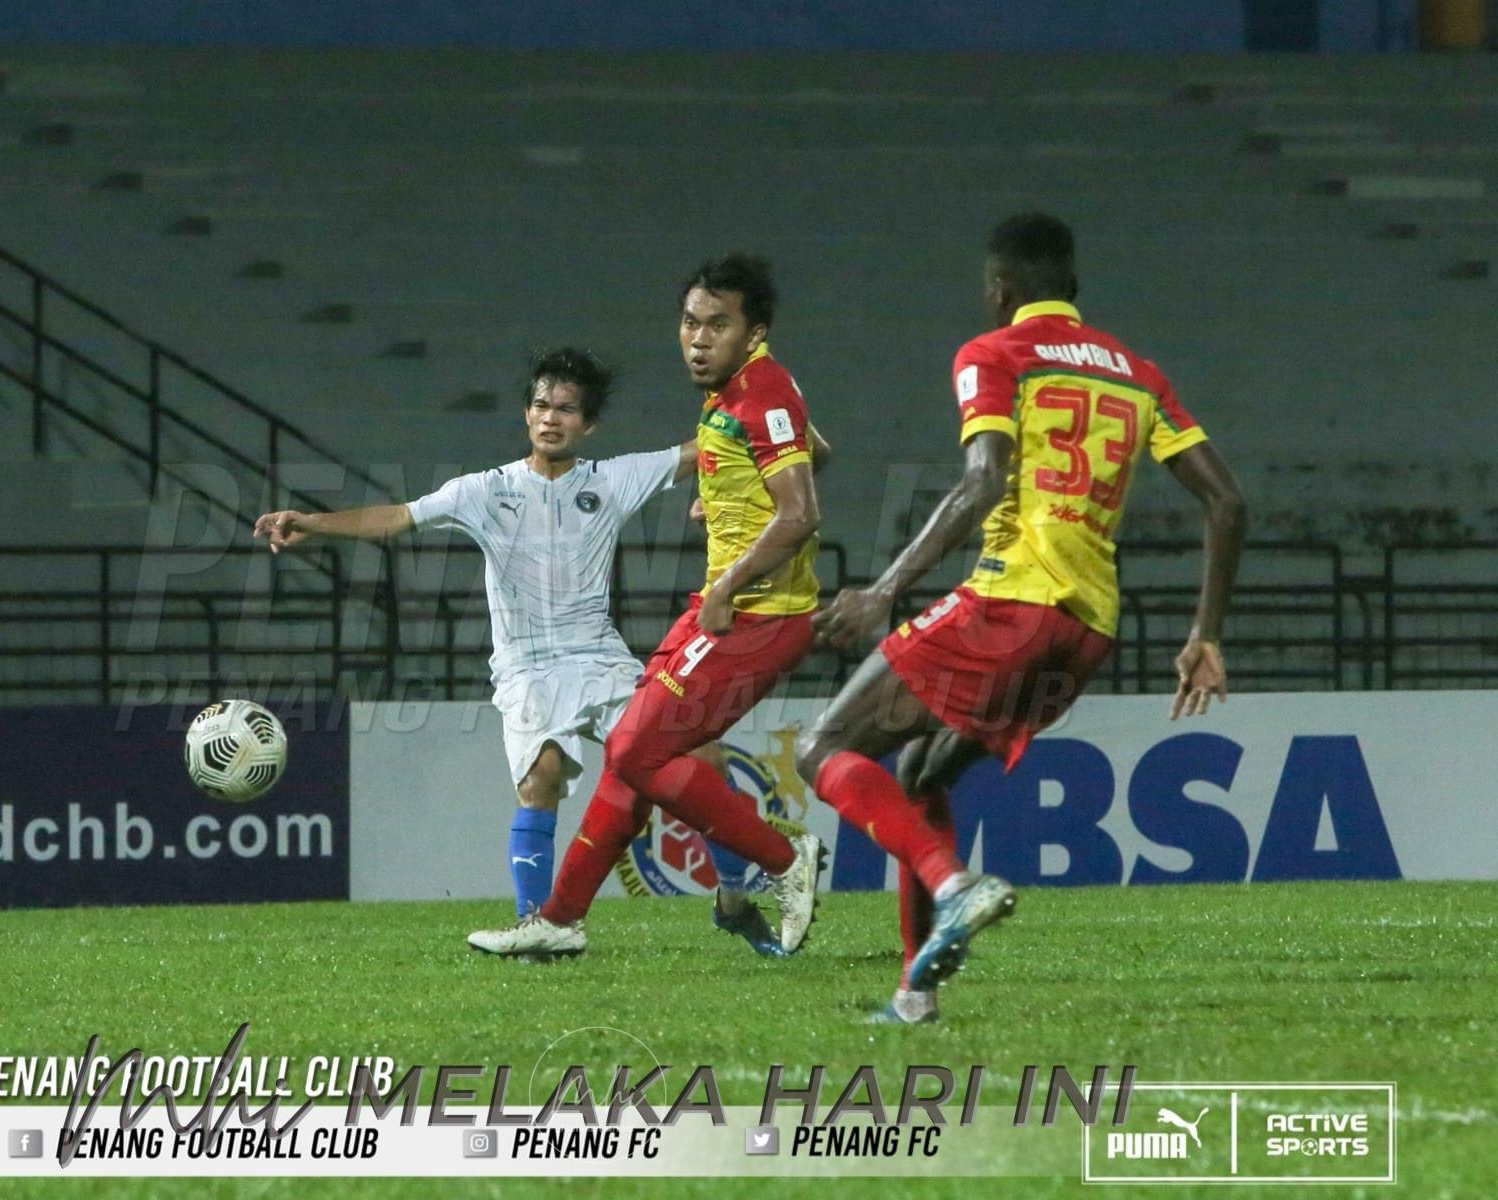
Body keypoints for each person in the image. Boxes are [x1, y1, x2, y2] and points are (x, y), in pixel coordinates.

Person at [797, 213, 1247, 1024]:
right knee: (923, 774)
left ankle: (954, 884)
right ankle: (915, 995)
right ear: (1071, 287)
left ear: (999, 291)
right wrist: (1203, 634)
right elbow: (1226, 500)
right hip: (1089, 630)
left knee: (822, 747)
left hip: (1014, 602)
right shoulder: (1138, 374)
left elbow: (982, 483)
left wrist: (884, 588)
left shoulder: (996, 353)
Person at [254, 347, 793, 954]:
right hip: (528, 667)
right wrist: (312, 523)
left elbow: (717, 450)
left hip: (599, 657)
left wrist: (738, 471)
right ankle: (539, 927)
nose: (550, 417)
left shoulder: (612, 480)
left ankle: (733, 902)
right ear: (526, 414)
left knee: (705, 759)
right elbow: (399, 518)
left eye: (566, 408)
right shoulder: (485, 490)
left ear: (587, 425)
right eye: (540, 405)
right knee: (542, 776)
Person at [470, 253, 828, 959]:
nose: (697, 339)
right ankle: (560, 918)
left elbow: (800, 513)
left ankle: (785, 860)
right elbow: (816, 452)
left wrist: (728, 584)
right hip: (724, 607)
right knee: (639, 752)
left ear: (754, 333)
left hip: (758, 616)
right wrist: (727, 492)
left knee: (636, 747)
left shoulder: (762, 394)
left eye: (717, 326)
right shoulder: (737, 393)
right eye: (690, 322)